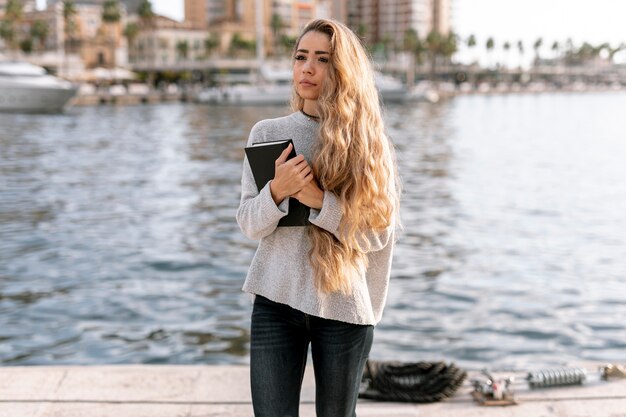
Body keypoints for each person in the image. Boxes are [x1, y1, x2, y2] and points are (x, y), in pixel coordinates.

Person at [236, 18, 400, 417]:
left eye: (322, 59)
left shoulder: (368, 143)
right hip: (276, 301)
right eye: (300, 56)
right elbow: (248, 223)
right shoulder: (267, 133)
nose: (307, 68)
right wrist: (276, 191)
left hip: (343, 306)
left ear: (342, 70)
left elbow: (376, 236)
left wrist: (316, 200)